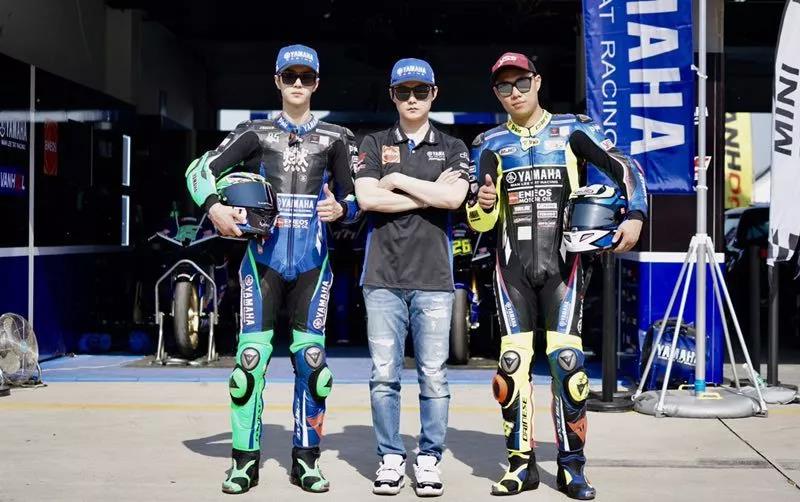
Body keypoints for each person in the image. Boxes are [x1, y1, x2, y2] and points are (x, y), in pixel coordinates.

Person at [465, 53, 648, 499]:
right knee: (511, 368)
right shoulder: (488, 143)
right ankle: (520, 466)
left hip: (564, 268)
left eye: (521, 82)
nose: (514, 92)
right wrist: (483, 205)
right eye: (504, 86)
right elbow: (478, 220)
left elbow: (625, 168)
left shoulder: (572, 130)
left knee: (568, 365)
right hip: (511, 272)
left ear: (538, 81)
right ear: (496, 93)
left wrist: (636, 215)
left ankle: (572, 468)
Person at [185, 44, 360, 495]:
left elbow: (357, 198)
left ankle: (307, 461)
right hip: (260, 264)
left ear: (316, 83)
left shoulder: (336, 138)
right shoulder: (254, 133)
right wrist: (215, 208)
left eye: (306, 77)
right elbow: (198, 171)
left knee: (314, 366)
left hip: (313, 268)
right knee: (248, 367)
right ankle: (243, 463)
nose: (298, 84)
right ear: (277, 81)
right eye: (290, 76)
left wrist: (342, 209)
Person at [354, 58, 470, 497]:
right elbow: (367, 199)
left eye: (421, 90)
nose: (412, 98)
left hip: (435, 279)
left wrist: (398, 180)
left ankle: (428, 459)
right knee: (384, 375)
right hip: (381, 278)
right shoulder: (373, 142)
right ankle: (390, 457)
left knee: (433, 376)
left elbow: (455, 198)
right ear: (393, 96)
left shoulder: (454, 146)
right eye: (403, 91)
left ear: (433, 94)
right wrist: (429, 196)